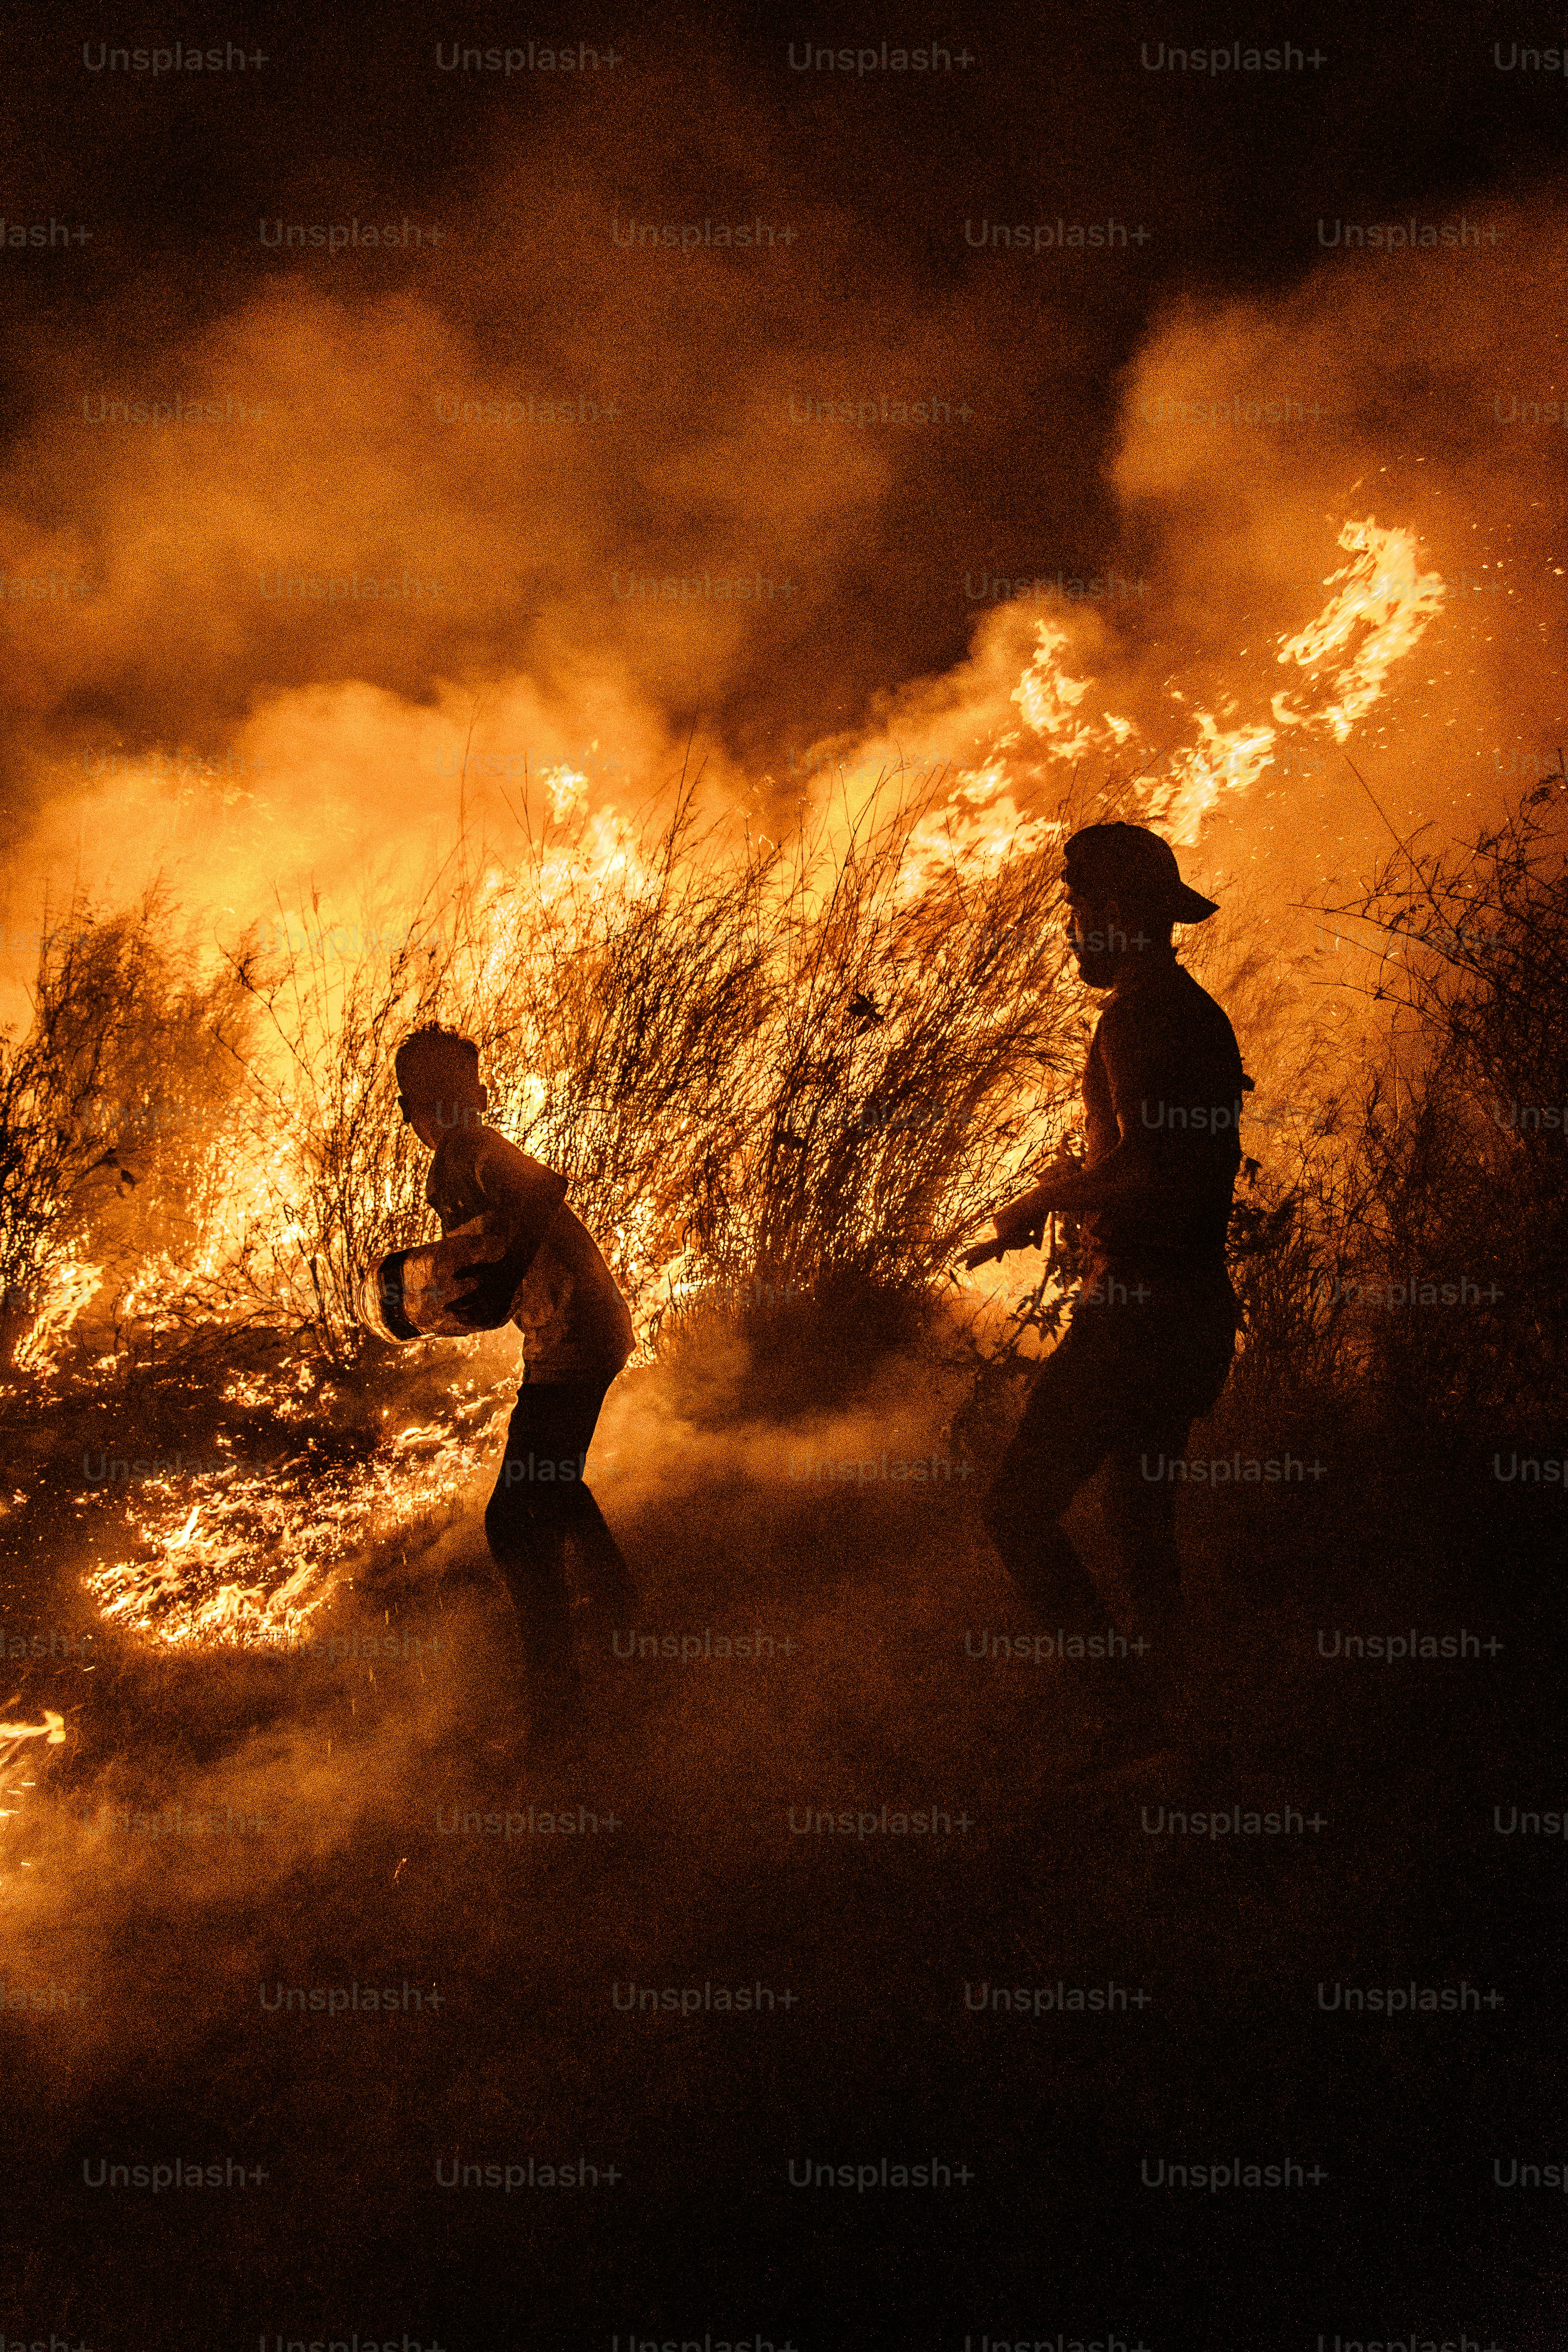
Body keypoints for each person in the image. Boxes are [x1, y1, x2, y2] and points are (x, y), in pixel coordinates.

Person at [965, 823, 1247, 1740]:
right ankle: (1175, 1717)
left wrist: (1037, 1200)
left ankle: (1122, 1705)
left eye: (1079, 911)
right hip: (1188, 1301)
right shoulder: (1184, 1008)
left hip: (1144, 1308)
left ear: (1116, 914)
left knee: (1016, 1510)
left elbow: (1150, 1157)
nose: (1072, 929)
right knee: (1135, 1508)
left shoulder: (1140, 1015)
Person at [363, 1024, 636, 1754]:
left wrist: (511, 1273)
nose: (449, 1111)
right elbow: (494, 1256)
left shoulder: (472, 1151)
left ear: (479, 1099)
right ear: (409, 1111)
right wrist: (480, 1290)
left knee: (514, 1524)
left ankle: (556, 1705)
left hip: (577, 1332)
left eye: (461, 1097)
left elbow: (545, 1191)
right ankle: (626, 1624)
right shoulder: (457, 1162)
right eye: (435, 1100)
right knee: (553, 1482)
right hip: (572, 1329)